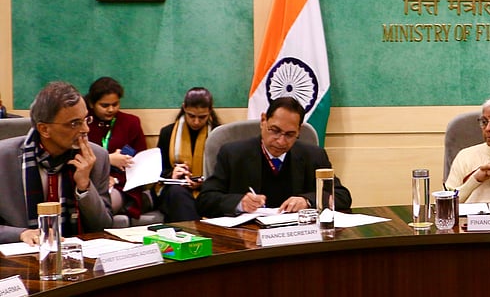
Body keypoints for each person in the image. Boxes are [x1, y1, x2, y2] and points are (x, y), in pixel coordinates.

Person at [197, 97, 351, 217]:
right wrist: (239, 203)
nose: (280, 141)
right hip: (248, 238)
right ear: (263, 121)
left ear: (299, 130)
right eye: (275, 130)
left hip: (297, 237)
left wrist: (307, 201)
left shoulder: (313, 155)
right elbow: (205, 200)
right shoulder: (233, 153)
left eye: (290, 134)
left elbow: (342, 196)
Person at [0, 81, 113, 244]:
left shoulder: (97, 157)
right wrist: (21, 233)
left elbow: (104, 226)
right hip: (19, 259)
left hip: (77, 257)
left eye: (85, 120)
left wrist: (84, 187)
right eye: (75, 123)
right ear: (44, 129)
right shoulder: (3, 158)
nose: (85, 130)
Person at [85, 77, 147, 218]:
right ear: (92, 103)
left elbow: (141, 164)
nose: (111, 109)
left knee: (101, 207)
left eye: (115, 104)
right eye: (105, 105)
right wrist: (108, 159)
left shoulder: (131, 123)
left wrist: (116, 180)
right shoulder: (83, 123)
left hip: (122, 185)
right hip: (90, 182)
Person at [155, 87, 221, 221]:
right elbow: (158, 172)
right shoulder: (167, 133)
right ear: (184, 108)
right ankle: (197, 235)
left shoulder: (218, 134)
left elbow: (224, 174)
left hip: (207, 190)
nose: (196, 122)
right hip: (175, 189)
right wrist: (172, 174)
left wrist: (203, 182)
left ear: (210, 111)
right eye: (191, 116)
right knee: (176, 193)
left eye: (202, 117)